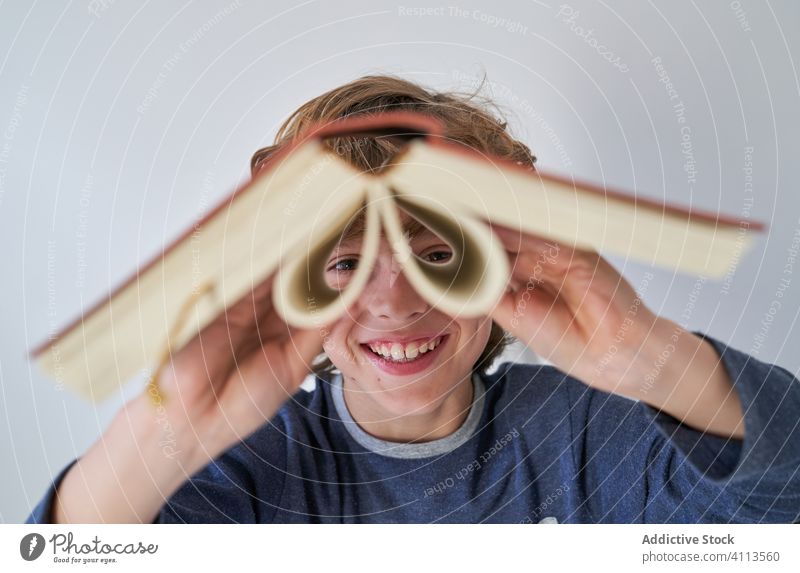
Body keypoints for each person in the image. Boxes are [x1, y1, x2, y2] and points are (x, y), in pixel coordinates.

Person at [27, 75, 800, 524]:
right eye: (346, 264)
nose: (395, 303)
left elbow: (782, 500)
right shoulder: (251, 463)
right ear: (289, 284)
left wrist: (646, 354)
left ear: (504, 266)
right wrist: (175, 421)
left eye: (437, 258)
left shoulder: (588, 428)